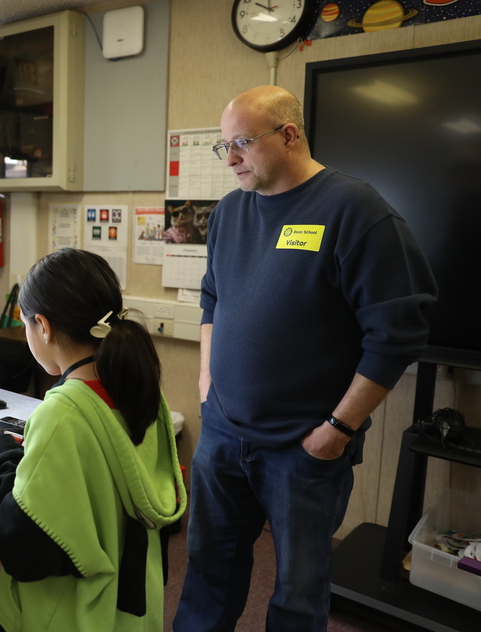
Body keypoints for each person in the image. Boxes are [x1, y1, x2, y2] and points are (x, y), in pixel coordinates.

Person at [174, 86, 438, 631]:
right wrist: (206, 381)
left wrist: (337, 430)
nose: (230, 159)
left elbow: (398, 335)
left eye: (242, 143)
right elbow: (212, 297)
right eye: (223, 147)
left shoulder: (357, 211)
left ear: (289, 134)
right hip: (224, 435)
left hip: (303, 448)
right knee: (207, 571)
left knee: (299, 592)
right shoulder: (229, 212)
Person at [0, 247, 186, 632]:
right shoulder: (143, 393)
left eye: (26, 325)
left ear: (42, 326)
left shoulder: (60, 415)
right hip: (129, 608)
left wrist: (7, 457)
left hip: (70, 615)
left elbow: (21, 547)